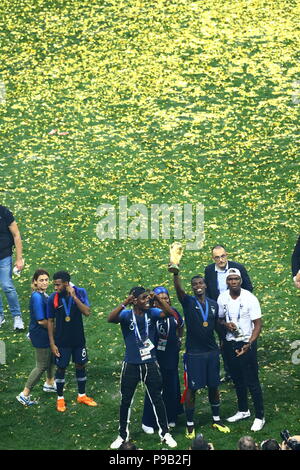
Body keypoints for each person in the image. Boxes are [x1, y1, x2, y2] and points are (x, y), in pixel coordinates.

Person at [108, 286, 178, 449]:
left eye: (148, 297)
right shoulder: (126, 314)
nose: (147, 300)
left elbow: (169, 313)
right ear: (134, 300)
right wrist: (125, 303)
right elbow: (110, 318)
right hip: (131, 364)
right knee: (126, 400)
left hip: (150, 363)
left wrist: (158, 299)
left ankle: (165, 433)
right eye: (144, 298)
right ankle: (122, 435)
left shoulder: (152, 313)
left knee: (157, 399)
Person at [168, 263, 230, 439]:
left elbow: (216, 324)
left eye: (200, 283)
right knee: (191, 389)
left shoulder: (213, 304)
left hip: (211, 352)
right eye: (194, 284)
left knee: (214, 386)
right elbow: (179, 292)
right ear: (192, 287)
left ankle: (216, 419)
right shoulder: (188, 302)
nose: (198, 286)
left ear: (205, 285)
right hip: (194, 353)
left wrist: (222, 340)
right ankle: (190, 424)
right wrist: (176, 275)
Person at [217, 268, 265, 432]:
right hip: (231, 343)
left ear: (241, 281)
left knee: (252, 381)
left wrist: (250, 343)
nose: (233, 282)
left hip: (246, 343)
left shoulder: (250, 298)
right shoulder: (222, 297)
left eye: (236, 279)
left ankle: (260, 416)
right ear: (227, 281)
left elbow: (258, 324)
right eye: (230, 279)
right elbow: (220, 318)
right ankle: (243, 410)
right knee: (237, 379)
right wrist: (225, 325)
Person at [47, 271, 97, 412]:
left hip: (78, 339)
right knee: (61, 368)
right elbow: (50, 321)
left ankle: (82, 395)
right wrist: (52, 343)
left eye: (58, 285)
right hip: (61, 341)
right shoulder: (53, 298)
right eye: (54, 285)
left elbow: (87, 312)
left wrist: (74, 297)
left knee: (80, 365)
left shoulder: (80, 292)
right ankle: (60, 399)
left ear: (66, 283)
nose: (56, 288)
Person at [204, 244, 253, 382]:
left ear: (227, 255)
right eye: (217, 257)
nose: (221, 260)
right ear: (213, 258)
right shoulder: (209, 271)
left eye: (223, 256)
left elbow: (248, 287)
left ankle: (246, 369)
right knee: (224, 343)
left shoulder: (237, 268)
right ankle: (230, 371)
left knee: (241, 338)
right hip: (220, 314)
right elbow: (209, 291)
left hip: (238, 312)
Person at [141, 286, 184, 434]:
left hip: (171, 354)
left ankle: (171, 416)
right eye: (160, 298)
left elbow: (180, 326)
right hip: (156, 355)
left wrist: (179, 338)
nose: (164, 300)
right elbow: (145, 337)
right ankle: (148, 420)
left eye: (166, 298)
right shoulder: (151, 314)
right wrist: (151, 356)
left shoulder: (174, 312)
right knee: (154, 387)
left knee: (171, 386)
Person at [16, 269, 56, 406]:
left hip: (44, 333)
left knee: (51, 358)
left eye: (46, 280)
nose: (44, 282)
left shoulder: (42, 294)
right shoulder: (37, 297)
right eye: (41, 280)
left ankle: (50, 383)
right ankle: (24, 394)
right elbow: (40, 320)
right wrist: (56, 328)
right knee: (41, 365)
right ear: (35, 282)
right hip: (41, 334)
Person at [0, 205, 24, 330]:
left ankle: (17, 317)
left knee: (7, 286)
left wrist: (19, 259)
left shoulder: (4, 212)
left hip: (4, 255)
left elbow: (16, 235)